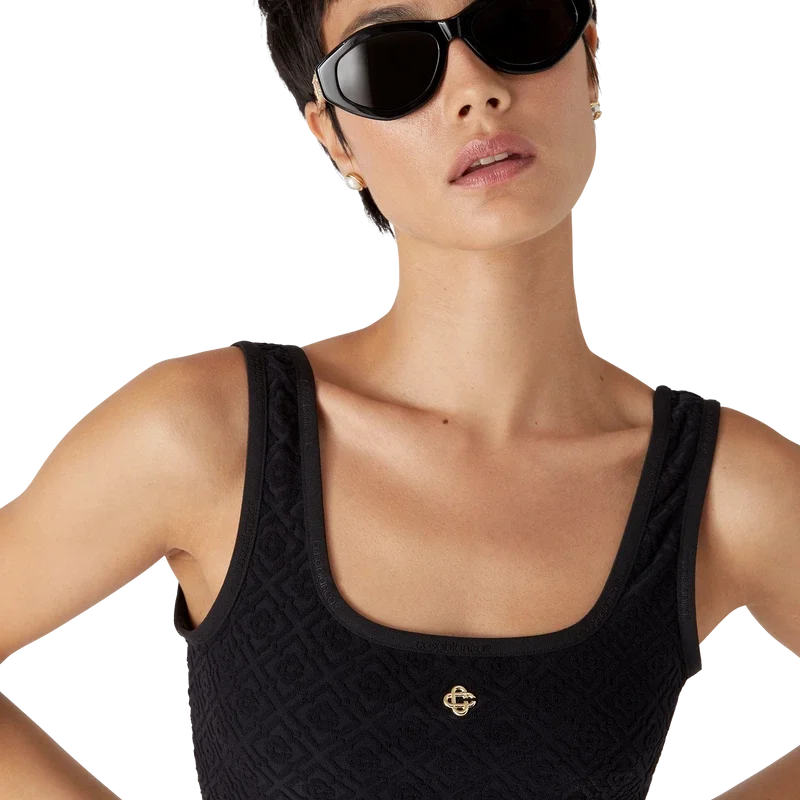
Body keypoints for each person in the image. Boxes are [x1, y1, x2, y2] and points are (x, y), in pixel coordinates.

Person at [2, 1, 798, 798]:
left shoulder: (728, 490)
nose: (477, 88)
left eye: (516, 24)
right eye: (390, 62)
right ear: (334, 136)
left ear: (590, 59)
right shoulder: (210, 434)